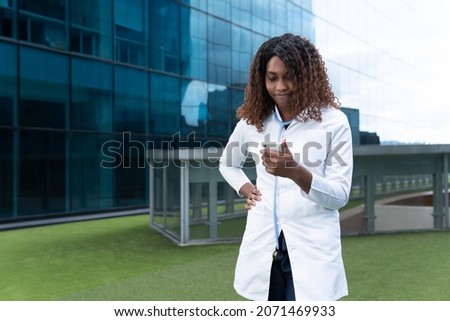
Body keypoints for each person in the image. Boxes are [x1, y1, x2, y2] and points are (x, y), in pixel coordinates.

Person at [219, 33, 353, 301]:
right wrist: (248, 189)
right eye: (272, 77)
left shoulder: (334, 122)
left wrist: (296, 172)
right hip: (264, 241)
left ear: (307, 76)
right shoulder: (252, 122)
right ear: (262, 78)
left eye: (289, 76)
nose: (281, 86)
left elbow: (339, 195)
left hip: (311, 246)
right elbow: (228, 163)